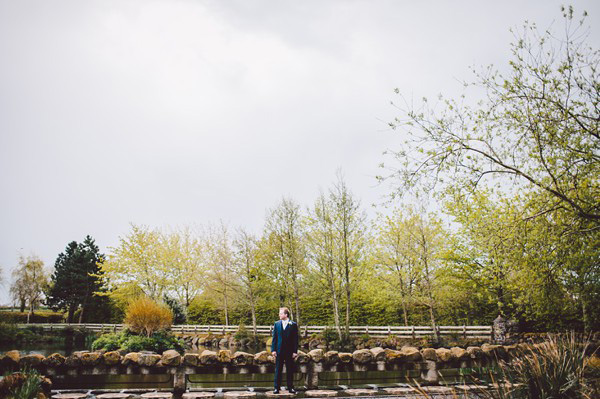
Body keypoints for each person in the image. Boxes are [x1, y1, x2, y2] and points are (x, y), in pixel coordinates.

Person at [271, 307, 298, 394]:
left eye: (281, 313)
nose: (279, 315)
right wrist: (273, 350)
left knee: (290, 370)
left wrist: (295, 351)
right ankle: (276, 388)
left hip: (289, 352)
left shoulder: (293, 324)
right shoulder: (277, 324)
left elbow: (295, 339)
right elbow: (274, 338)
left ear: (286, 315)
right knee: (278, 369)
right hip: (279, 351)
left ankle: (290, 388)